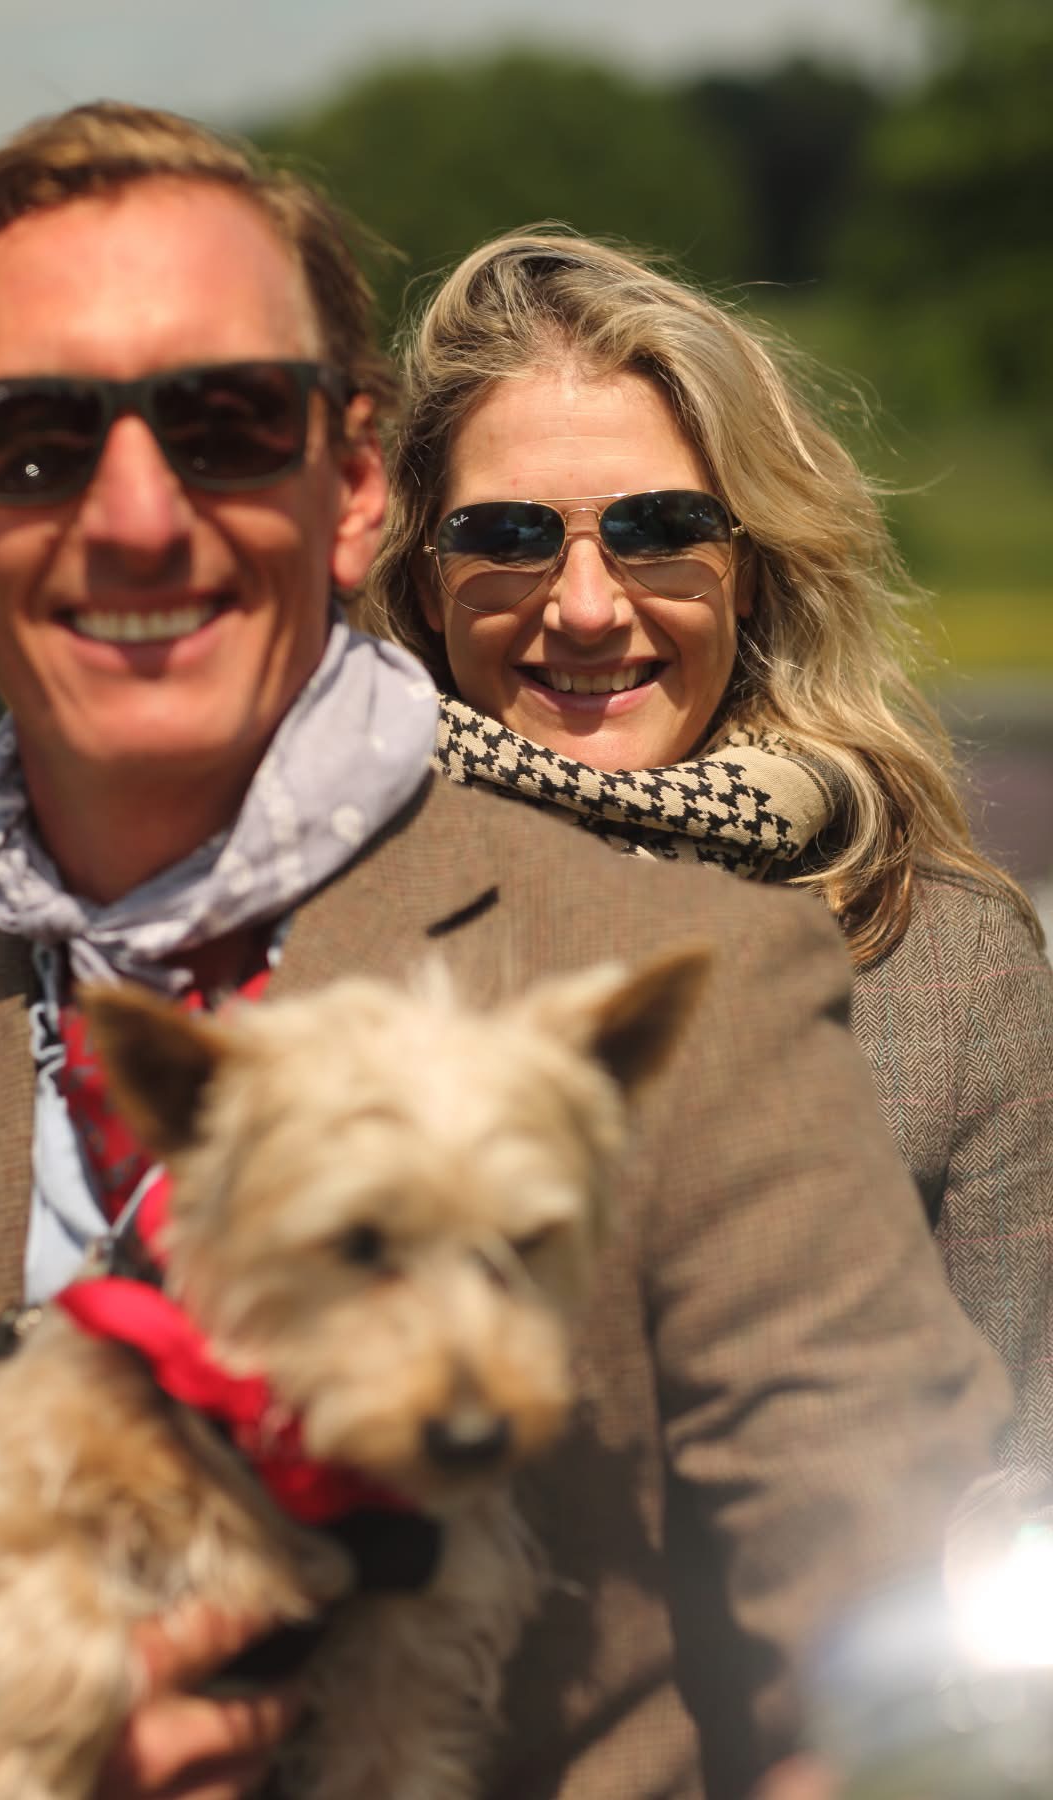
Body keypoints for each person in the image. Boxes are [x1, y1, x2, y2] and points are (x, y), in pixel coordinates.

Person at [0, 105, 1010, 1800]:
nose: (137, 516)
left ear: (352, 488)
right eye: (33, 441)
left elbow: (885, 1677)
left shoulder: (698, 977)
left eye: (228, 426)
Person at [362, 226, 1053, 1507]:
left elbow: (1031, 1476)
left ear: (751, 571)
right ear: (425, 578)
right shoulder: (314, 916)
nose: (585, 605)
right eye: (507, 534)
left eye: (660, 528)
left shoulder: (947, 962)